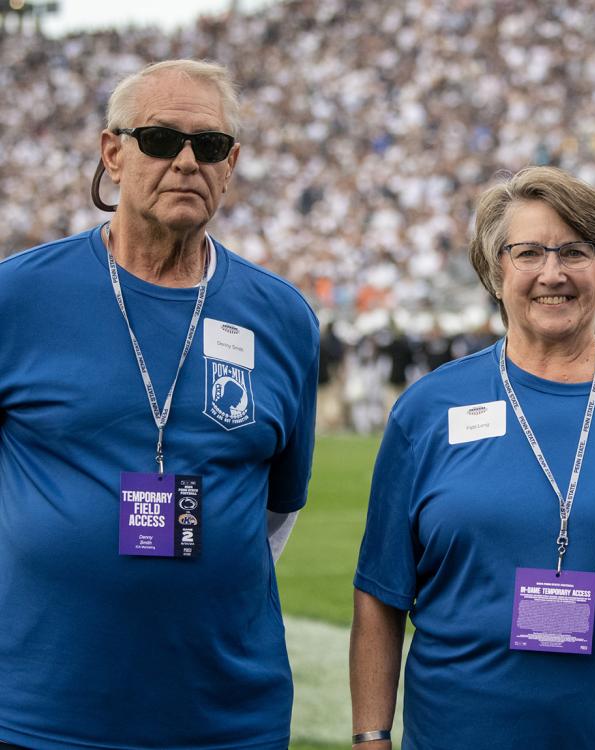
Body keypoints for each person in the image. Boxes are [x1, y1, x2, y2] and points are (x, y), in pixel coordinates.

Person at [351, 166, 595, 749]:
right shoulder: (429, 408)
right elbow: (380, 597)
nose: (553, 274)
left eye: (575, 251)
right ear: (495, 269)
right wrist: (370, 738)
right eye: (529, 252)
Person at [0, 60, 318, 749]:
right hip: (38, 714)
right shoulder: (17, 297)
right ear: (112, 153)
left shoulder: (283, 317)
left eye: (207, 147)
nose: (184, 161)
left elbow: (277, 506)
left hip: (225, 717)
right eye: (158, 139)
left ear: (230, 165)